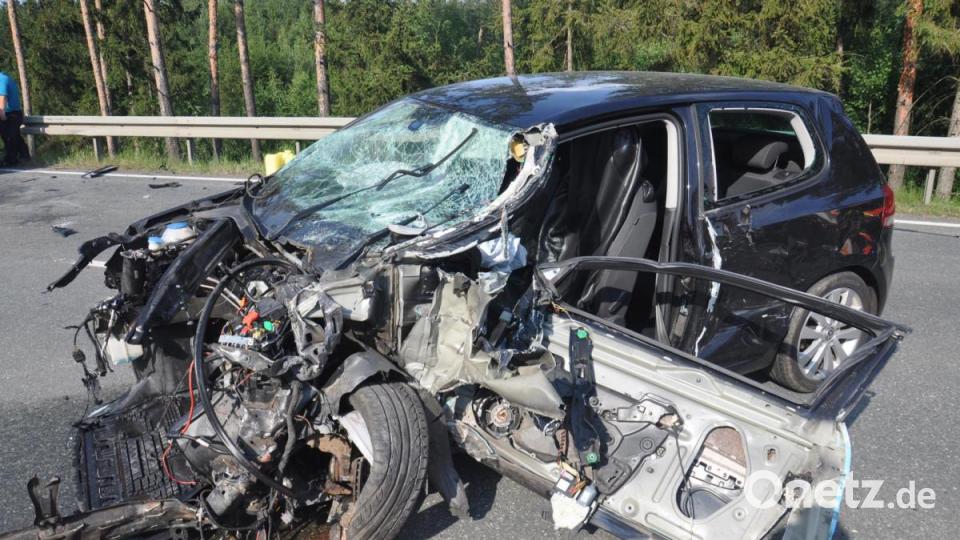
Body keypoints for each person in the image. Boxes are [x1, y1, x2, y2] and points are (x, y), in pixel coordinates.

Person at [0, 70, 29, 166]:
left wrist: (2, 114)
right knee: (13, 136)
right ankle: (24, 156)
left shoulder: (1, 79)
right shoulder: (6, 78)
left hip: (10, 114)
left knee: (9, 137)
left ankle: (11, 159)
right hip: (13, 113)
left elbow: (3, 97)